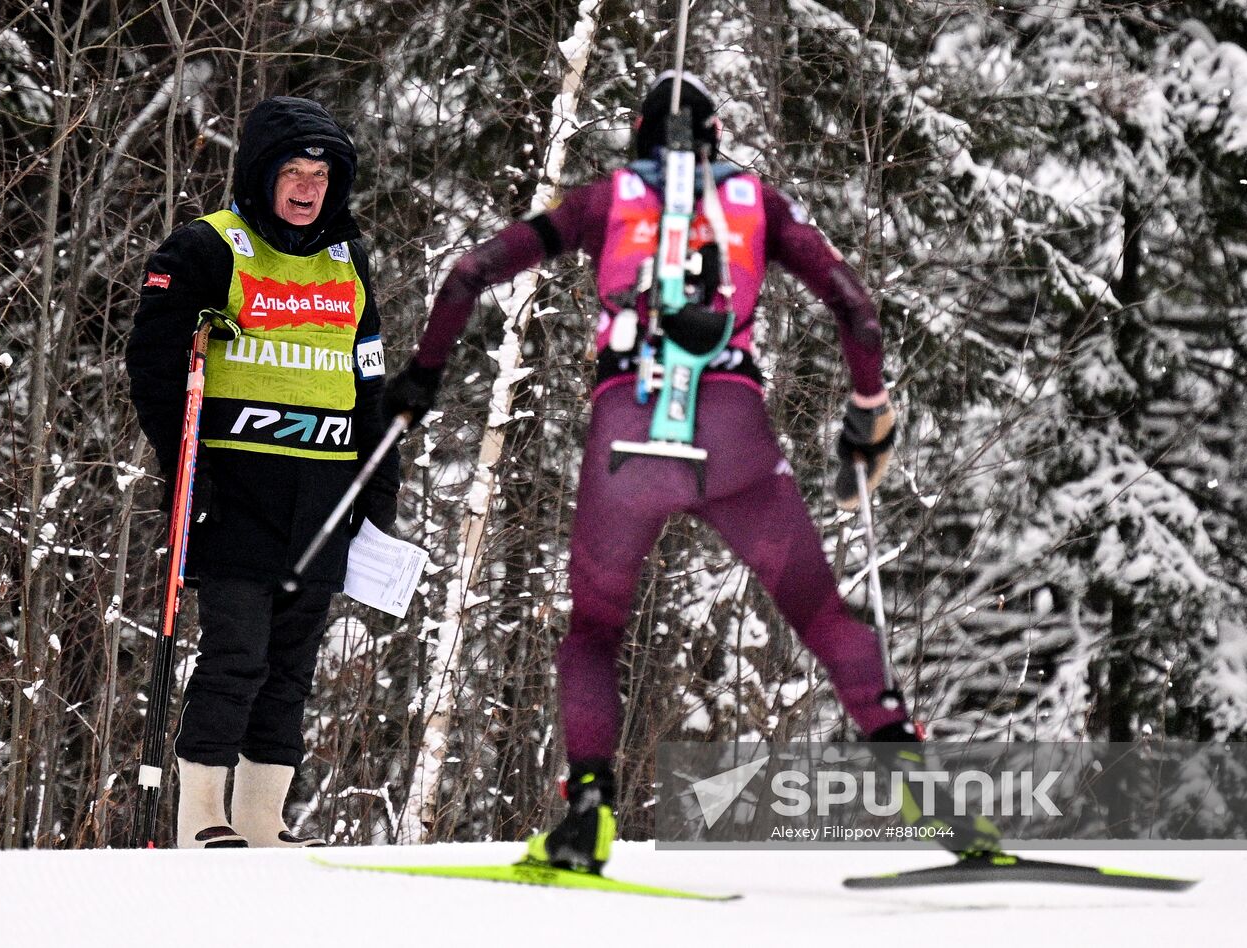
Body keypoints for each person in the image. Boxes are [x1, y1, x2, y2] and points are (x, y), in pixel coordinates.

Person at [382, 73, 997, 872]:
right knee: (822, 615)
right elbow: (857, 310)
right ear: (715, 136)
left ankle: (588, 815)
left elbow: (468, 273)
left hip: (629, 437)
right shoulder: (759, 203)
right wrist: (867, 406)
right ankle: (931, 801)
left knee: (595, 633)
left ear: (640, 134)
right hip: (733, 438)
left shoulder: (604, 199)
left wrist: (423, 377)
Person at [126, 96, 400, 849]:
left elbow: (367, 378)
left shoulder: (349, 259)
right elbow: (152, 368)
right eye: (294, 172)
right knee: (236, 657)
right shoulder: (207, 248)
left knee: (290, 668)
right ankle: (200, 820)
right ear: (262, 174)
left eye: (322, 174)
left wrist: (381, 481)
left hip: (323, 495)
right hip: (237, 493)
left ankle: (259, 823)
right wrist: (187, 468)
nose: (309, 188)